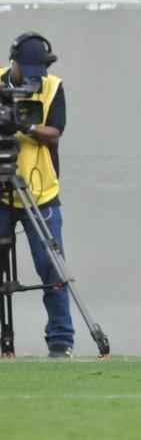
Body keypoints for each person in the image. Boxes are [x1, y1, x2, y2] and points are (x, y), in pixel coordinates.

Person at [0, 33, 71, 357]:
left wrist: (25, 126)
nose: (30, 76)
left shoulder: (52, 86)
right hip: (2, 191)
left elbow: (54, 133)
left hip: (40, 192)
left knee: (51, 266)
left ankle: (61, 341)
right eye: (24, 68)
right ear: (12, 62)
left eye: (35, 69)